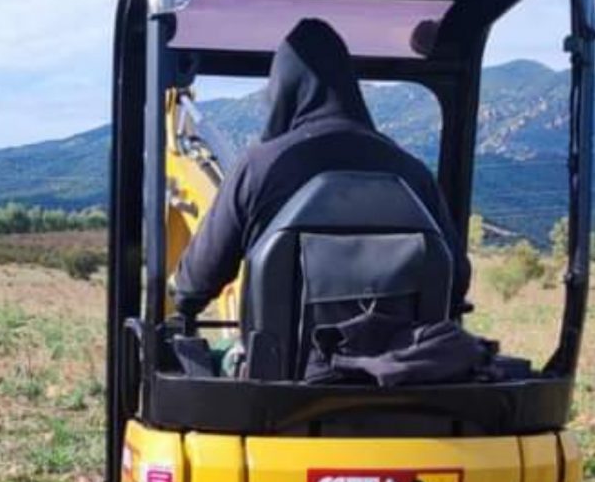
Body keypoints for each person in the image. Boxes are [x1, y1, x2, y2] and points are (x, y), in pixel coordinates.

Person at [169, 17, 469, 323]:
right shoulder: (412, 173)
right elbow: (456, 281)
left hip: (284, 369)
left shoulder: (260, 169)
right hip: (402, 367)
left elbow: (193, 286)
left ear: (282, 92)